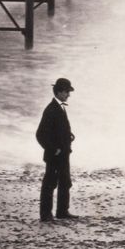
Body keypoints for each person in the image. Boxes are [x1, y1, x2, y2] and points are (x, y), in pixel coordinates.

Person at [35, 77, 76, 222]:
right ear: (59, 92)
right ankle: (46, 214)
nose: (68, 95)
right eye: (66, 92)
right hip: (55, 155)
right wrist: (53, 149)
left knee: (65, 182)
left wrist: (68, 136)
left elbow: (57, 130)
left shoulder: (59, 107)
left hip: (64, 154)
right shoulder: (51, 109)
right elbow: (40, 134)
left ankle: (62, 211)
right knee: (50, 183)